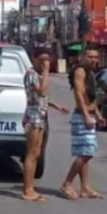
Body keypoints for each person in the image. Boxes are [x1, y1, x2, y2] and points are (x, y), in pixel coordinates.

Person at [21, 49, 69, 202]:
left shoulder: (38, 75)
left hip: (40, 115)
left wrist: (56, 106)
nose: (44, 64)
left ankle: (31, 188)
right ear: (34, 59)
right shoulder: (31, 74)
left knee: (37, 153)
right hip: (33, 117)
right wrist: (47, 72)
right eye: (41, 60)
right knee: (32, 152)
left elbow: (43, 98)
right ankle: (27, 190)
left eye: (47, 60)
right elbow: (41, 92)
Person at [59, 47, 106, 200]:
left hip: (89, 114)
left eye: (96, 57)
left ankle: (85, 188)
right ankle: (67, 183)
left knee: (84, 152)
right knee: (87, 153)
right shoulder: (80, 71)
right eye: (90, 56)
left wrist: (97, 114)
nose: (94, 60)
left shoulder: (90, 73)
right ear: (83, 57)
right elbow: (79, 94)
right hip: (82, 116)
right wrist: (86, 115)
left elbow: (91, 97)